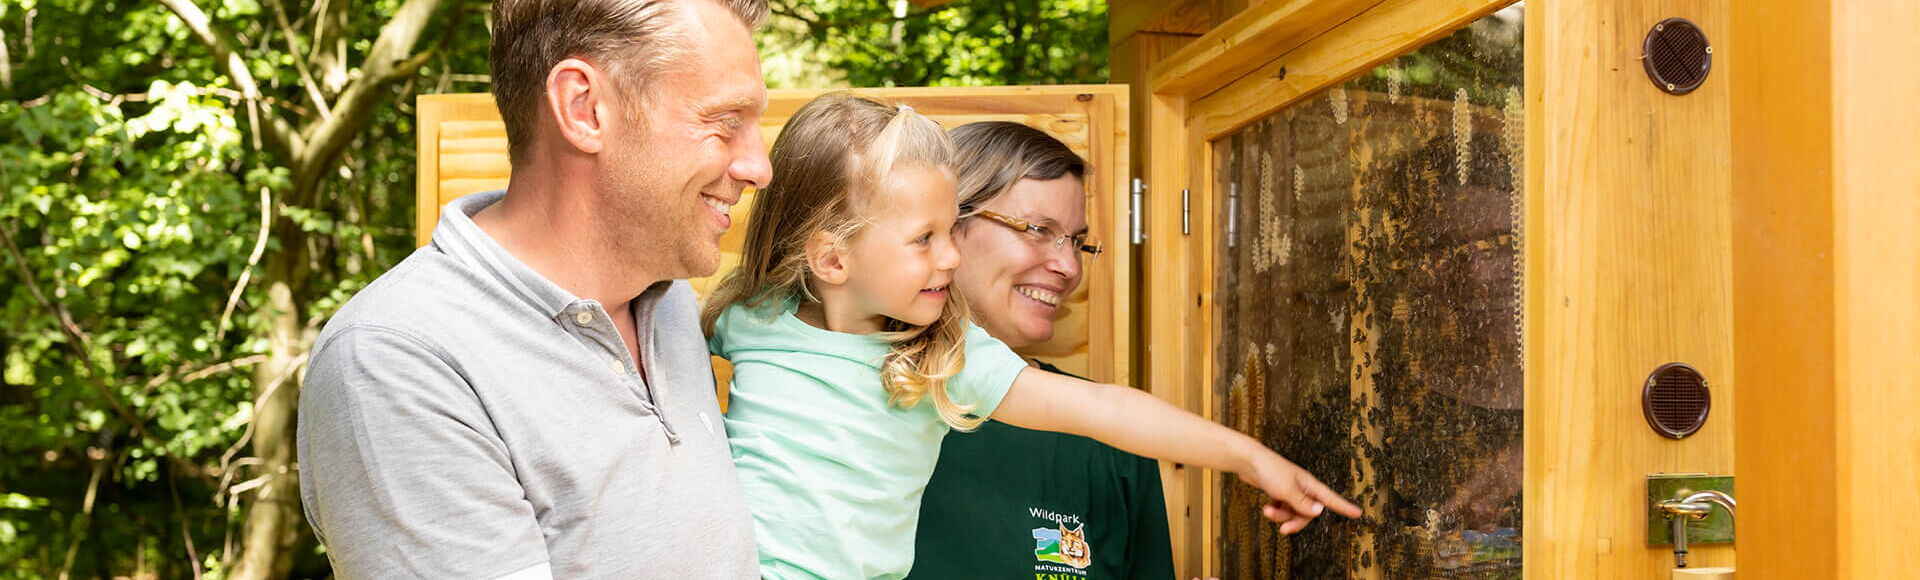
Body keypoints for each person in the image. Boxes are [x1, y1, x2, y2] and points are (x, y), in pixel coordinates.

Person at [702, 93, 1360, 580]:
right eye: (925, 238)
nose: (950, 256)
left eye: (1078, 240)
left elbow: (1108, 409)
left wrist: (1248, 457)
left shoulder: (946, 362)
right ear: (833, 259)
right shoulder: (744, 319)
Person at [295, 0, 772, 577]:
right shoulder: (395, 359)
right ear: (584, 108)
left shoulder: (665, 299)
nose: (758, 166)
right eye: (725, 122)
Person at [906, 121, 1173, 579]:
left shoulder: (1112, 441)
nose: (1069, 266)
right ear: (944, 226)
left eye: (1078, 242)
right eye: (1037, 229)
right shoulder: (853, 401)